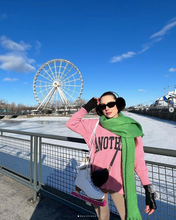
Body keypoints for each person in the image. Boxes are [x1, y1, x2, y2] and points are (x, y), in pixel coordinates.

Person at [66, 91, 157, 220]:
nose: (107, 108)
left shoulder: (130, 128)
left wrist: (147, 188)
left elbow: (138, 161)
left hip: (120, 183)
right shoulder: (94, 126)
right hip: (96, 182)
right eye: (103, 106)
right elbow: (71, 123)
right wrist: (88, 106)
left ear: (118, 104)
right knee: (102, 217)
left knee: (127, 216)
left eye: (111, 104)